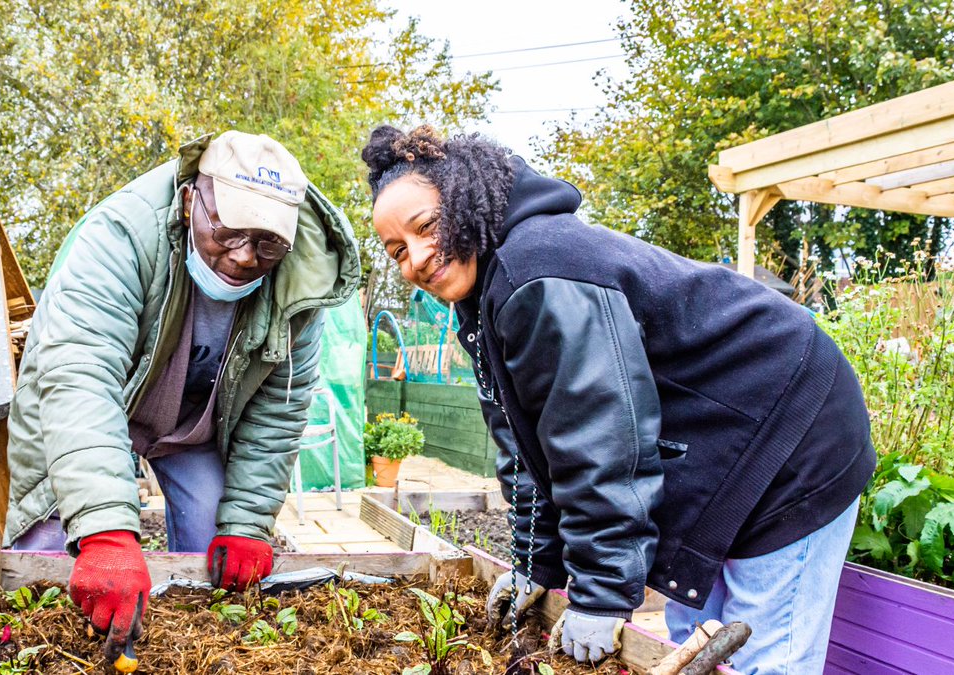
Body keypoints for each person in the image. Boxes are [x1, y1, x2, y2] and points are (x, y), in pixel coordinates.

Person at [361, 124, 874, 674]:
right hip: (724, 442)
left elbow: (600, 439)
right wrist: (537, 563)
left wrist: (602, 594)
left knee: (765, 658)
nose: (414, 257)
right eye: (396, 251)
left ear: (465, 203)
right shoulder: (484, 298)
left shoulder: (541, 272)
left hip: (792, 434)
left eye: (426, 227)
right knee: (688, 641)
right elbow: (528, 445)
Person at [2, 130, 360, 660]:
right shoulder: (120, 236)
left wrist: (248, 523)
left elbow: (278, 413)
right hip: (98, 407)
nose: (243, 256)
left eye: (266, 245)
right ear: (193, 197)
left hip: (192, 427)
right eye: (228, 231)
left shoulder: (300, 285)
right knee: (44, 567)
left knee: (218, 557)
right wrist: (105, 531)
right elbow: (81, 377)